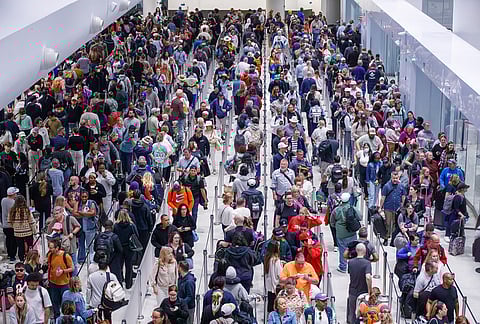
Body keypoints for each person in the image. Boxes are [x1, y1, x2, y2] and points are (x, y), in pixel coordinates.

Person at [331, 192, 361, 273]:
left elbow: (332, 222)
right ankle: (353, 266)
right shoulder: (353, 208)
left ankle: (343, 266)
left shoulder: (336, 210)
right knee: (353, 249)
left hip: (341, 233)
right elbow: (360, 217)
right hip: (351, 232)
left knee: (342, 250)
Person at [47, 238, 74, 318]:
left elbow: (72, 268)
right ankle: (56, 318)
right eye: (49, 247)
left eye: (51, 248)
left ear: (57, 248)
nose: (50, 249)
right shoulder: (50, 255)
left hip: (64, 284)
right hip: (53, 283)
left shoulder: (66, 256)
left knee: (65, 304)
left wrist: (63, 271)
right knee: (55, 303)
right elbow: (50, 267)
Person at [113, 209, 139, 289]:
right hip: (129, 248)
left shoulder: (116, 226)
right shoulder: (132, 225)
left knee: (119, 266)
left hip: (119, 248)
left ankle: (120, 282)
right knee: (129, 266)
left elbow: (113, 237)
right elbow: (136, 235)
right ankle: (129, 284)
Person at [347, 243, 372, 324]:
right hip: (363, 292)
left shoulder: (350, 262)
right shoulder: (367, 263)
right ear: (365, 251)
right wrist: (370, 290)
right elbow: (368, 277)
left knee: (352, 312)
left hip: (352, 290)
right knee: (363, 313)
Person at [380, 171, 406, 245]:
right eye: (393, 178)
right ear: (391, 177)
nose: (395, 180)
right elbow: (383, 197)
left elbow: (403, 196)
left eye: (396, 178)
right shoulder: (386, 186)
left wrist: (402, 205)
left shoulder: (401, 186)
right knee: (387, 224)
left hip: (397, 208)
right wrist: (380, 207)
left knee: (395, 224)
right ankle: (386, 238)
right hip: (388, 207)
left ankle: (393, 240)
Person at [8, 194, 35, 262]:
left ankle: (21, 260)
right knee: (30, 246)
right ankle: (29, 260)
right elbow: (31, 222)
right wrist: (34, 231)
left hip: (17, 233)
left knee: (20, 247)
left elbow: (9, 222)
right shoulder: (27, 210)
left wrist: (15, 227)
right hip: (28, 232)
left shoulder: (12, 210)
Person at [2, 187, 18, 262]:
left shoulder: (3, 200)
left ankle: (9, 254)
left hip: (4, 224)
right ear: (13, 194)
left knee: (8, 239)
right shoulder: (12, 202)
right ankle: (12, 256)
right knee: (13, 241)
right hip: (11, 225)